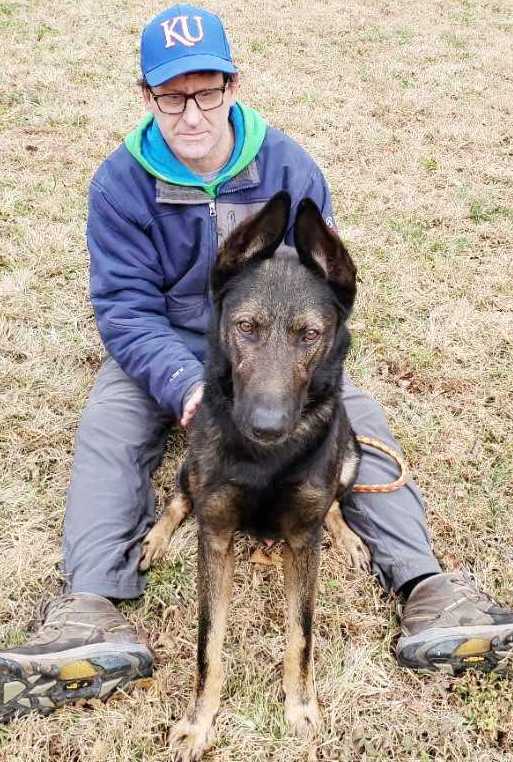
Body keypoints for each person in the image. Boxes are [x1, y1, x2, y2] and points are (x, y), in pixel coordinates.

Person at [2, 3, 512, 723]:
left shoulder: (287, 165)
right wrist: (184, 387)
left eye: (205, 91)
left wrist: (301, 362)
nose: (190, 113)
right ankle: (89, 607)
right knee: (109, 429)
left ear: (231, 86)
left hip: (270, 340)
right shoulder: (119, 182)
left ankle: (427, 589)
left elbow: (316, 286)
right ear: (146, 97)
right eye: (171, 96)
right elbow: (122, 307)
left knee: (354, 419)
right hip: (175, 345)